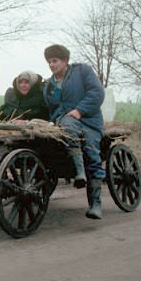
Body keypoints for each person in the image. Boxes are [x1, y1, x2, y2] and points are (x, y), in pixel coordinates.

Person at [42, 44, 106, 219]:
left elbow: (97, 92)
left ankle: (95, 203)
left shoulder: (82, 72)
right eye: (49, 62)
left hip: (89, 122)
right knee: (67, 125)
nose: (51, 65)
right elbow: (50, 108)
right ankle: (79, 172)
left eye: (54, 61)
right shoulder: (49, 85)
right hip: (65, 123)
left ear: (65, 61)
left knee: (92, 152)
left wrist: (80, 110)